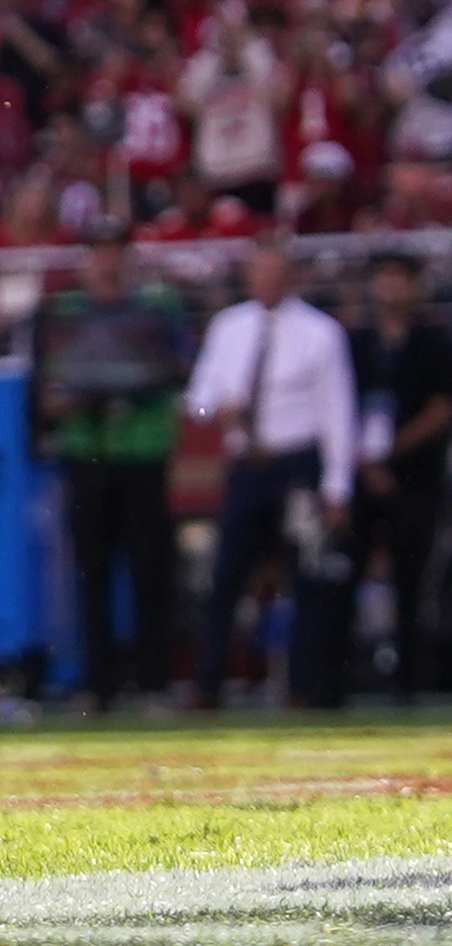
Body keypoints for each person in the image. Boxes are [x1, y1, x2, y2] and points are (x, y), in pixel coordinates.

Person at [186, 235, 356, 708]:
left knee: (306, 576)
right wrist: (219, 410)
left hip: (296, 464)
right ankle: (208, 685)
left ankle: (302, 684)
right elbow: (198, 399)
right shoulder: (230, 327)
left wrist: (337, 484)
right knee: (225, 577)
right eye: (259, 271)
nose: (267, 281)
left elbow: (338, 412)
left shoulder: (321, 333)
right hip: (246, 465)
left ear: (292, 276)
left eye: (276, 272)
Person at [34, 221, 188, 708]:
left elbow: (178, 369)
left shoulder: (158, 308)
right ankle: (97, 685)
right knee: (91, 572)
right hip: (88, 454)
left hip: (143, 451)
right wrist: (88, 398)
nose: (107, 261)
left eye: (114, 251)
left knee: (150, 572)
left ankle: (153, 683)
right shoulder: (65, 312)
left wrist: (128, 385)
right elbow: (48, 394)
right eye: (98, 250)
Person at [366, 253, 451, 701]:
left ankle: (412, 681)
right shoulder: (357, 342)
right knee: (340, 576)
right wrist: (368, 462)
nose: (392, 289)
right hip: (361, 478)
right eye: (385, 279)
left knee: (415, 579)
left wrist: (391, 453)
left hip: (416, 477)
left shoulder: (433, 343)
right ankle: (329, 681)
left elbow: (441, 409)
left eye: (401, 279)